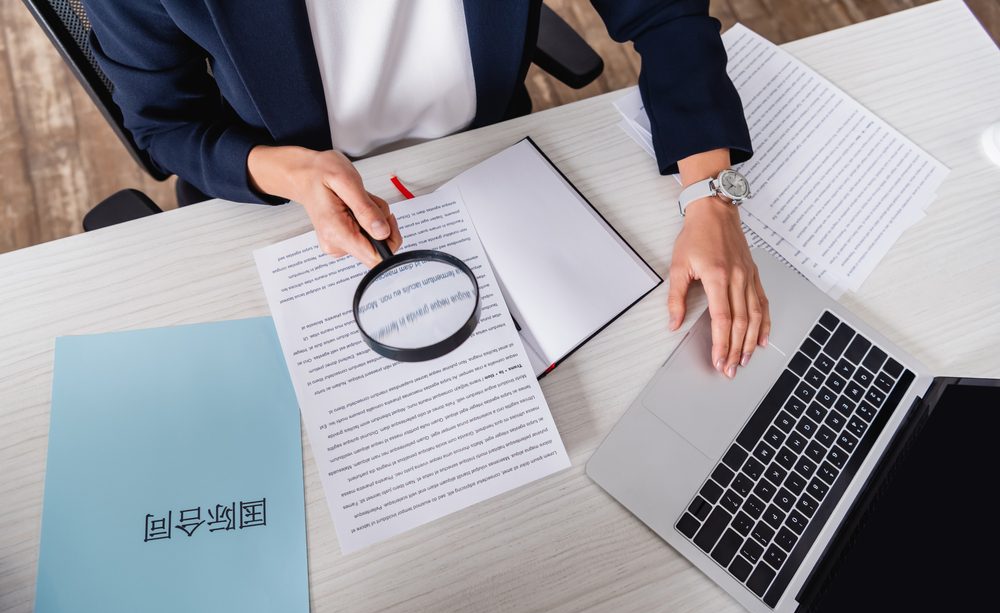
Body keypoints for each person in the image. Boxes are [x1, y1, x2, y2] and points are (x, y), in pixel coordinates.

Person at [84, 0, 770, 378]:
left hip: (485, 155)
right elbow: (163, 120)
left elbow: (663, 12)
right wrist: (287, 170)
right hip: (281, 202)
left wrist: (710, 192)